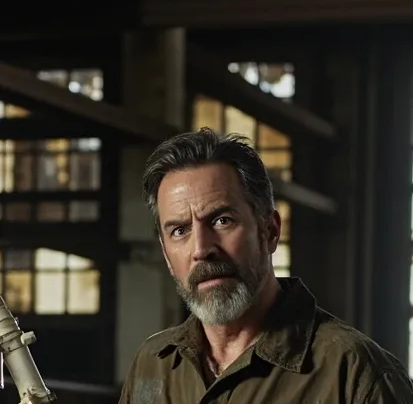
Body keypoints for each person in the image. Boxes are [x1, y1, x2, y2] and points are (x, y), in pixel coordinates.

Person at [118, 128, 413, 404]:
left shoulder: (355, 373)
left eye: (222, 220)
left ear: (269, 230)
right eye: (180, 230)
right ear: (166, 254)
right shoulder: (152, 365)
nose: (201, 250)